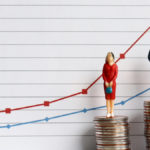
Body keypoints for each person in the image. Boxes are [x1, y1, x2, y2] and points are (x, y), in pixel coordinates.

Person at [102, 52, 118, 118]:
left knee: (112, 98)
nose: (109, 57)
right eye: (108, 56)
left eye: (110, 56)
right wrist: (105, 81)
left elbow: (116, 74)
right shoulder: (105, 65)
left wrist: (112, 80)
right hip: (106, 84)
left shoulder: (115, 65)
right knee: (107, 98)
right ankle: (108, 112)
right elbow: (103, 74)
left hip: (113, 84)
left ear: (113, 57)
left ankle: (112, 111)